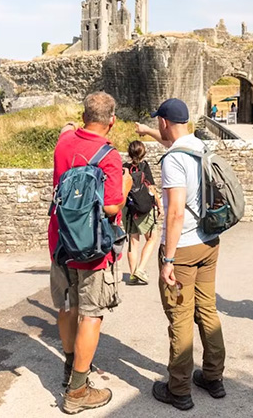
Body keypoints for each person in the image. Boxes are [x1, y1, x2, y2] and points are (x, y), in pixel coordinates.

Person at [135, 99, 226, 411]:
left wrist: (168, 259)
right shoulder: (199, 147)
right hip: (209, 240)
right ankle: (213, 377)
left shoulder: (173, 160)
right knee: (208, 311)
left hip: (184, 247)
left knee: (181, 317)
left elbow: (175, 212)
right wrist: (149, 131)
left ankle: (179, 389)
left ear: (164, 121)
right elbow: (170, 140)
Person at [49, 91, 133, 414]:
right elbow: (111, 205)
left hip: (61, 241)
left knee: (67, 306)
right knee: (91, 314)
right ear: (112, 120)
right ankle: (78, 390)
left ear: (84, 115)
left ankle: (70, 367)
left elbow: (65, 133)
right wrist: (125, 188)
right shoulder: (109, 156)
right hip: (94, 247)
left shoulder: (64, 143)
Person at [123, 140, 163, 285]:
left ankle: (133, 275)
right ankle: (140, 269)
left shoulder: (124, 168)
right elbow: (151, 188)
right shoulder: (144, 166)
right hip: (145, 208)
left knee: (133, 242)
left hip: (129, 210)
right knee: (152, 238)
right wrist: (159, 205)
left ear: (129, 152)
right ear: (143, 152)